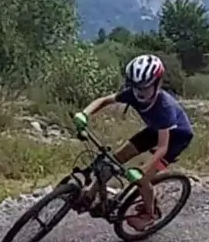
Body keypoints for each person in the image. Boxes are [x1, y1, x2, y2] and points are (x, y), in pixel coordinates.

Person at [77, 54, 194, 230]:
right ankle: (91, 193)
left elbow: (162, 148)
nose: (139, 92)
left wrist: (142, 170)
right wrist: (84, 114)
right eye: (135, 87)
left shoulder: (164, 108)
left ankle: (150, 213)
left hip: (175, 140)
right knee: (114, 159)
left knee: (142, 180)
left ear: (157, 84)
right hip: (155, 129)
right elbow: (105, 100)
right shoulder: (133, 94)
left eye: (144, 88)